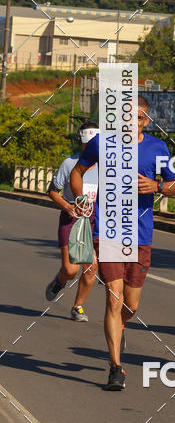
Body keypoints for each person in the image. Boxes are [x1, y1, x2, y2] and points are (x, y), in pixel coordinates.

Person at [70, 95, 175, 391]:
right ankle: (116, 367)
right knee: (114, 298)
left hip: (140, 234)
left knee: (131, 305)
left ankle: (119, 327)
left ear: (147, 120)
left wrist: (158, 186)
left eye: (140, 118)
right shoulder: (101, 143)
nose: (133, 123)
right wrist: (80, 199)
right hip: (108, 231)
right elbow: (77, 172)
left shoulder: (157, 148)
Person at [45, 122, 100, 320]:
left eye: (93, 144)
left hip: (93, 219)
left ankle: (78, 306)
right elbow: (52, 190)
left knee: (91, 265)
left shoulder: (106, 167)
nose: (90, 147)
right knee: (70, 269)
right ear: (81, 143)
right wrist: (67, 206)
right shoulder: (69, 164)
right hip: (71, 218)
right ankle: (60, 281)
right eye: (86, 144)